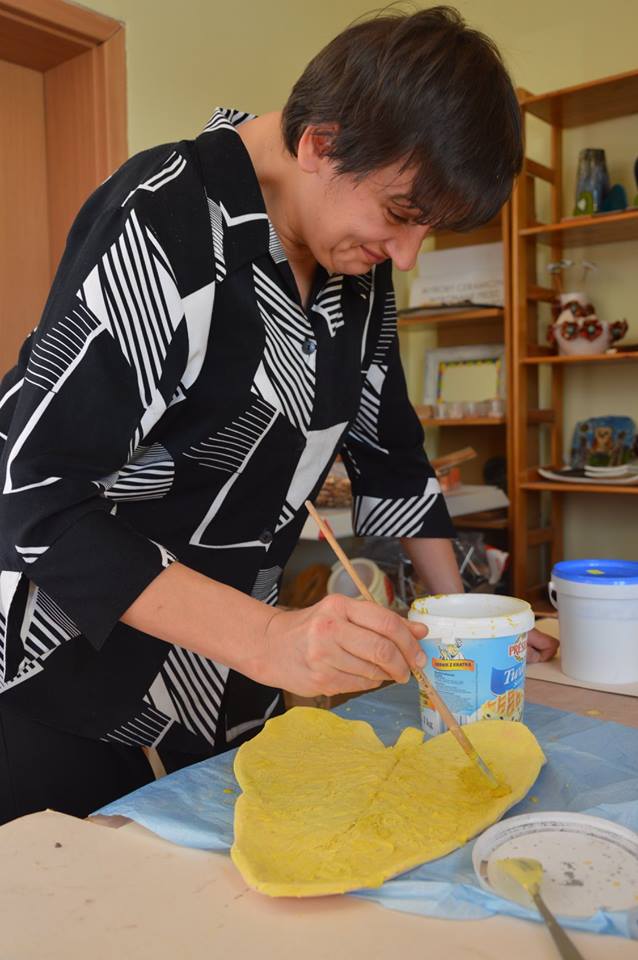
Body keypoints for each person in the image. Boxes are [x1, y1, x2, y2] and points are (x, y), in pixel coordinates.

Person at [0, 6, 556, 825]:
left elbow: (391, 451)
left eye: (427, 230)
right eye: (402, 214)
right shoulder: (165, 219)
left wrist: (466, 622)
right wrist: (269, 638)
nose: (407, 255)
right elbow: (35, 496)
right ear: (321, 143)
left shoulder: (355, 263)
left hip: (223, 685)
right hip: (66, 672)